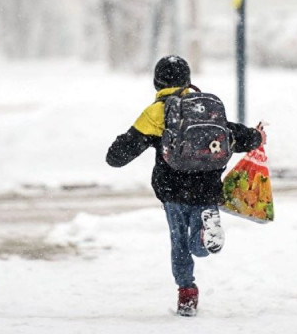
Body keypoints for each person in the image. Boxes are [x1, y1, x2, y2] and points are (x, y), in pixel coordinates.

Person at [106, 55, 265, 317]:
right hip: (208, 186)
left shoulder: (157, 112)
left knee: (179, 242)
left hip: (173, 189)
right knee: (198, 244)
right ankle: (204, 234)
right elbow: (233, 134)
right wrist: (257, 136)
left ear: (157, 82)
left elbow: (118, 156)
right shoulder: (207, 107)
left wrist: (121, 146)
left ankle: (187, 294)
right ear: (189, 79)